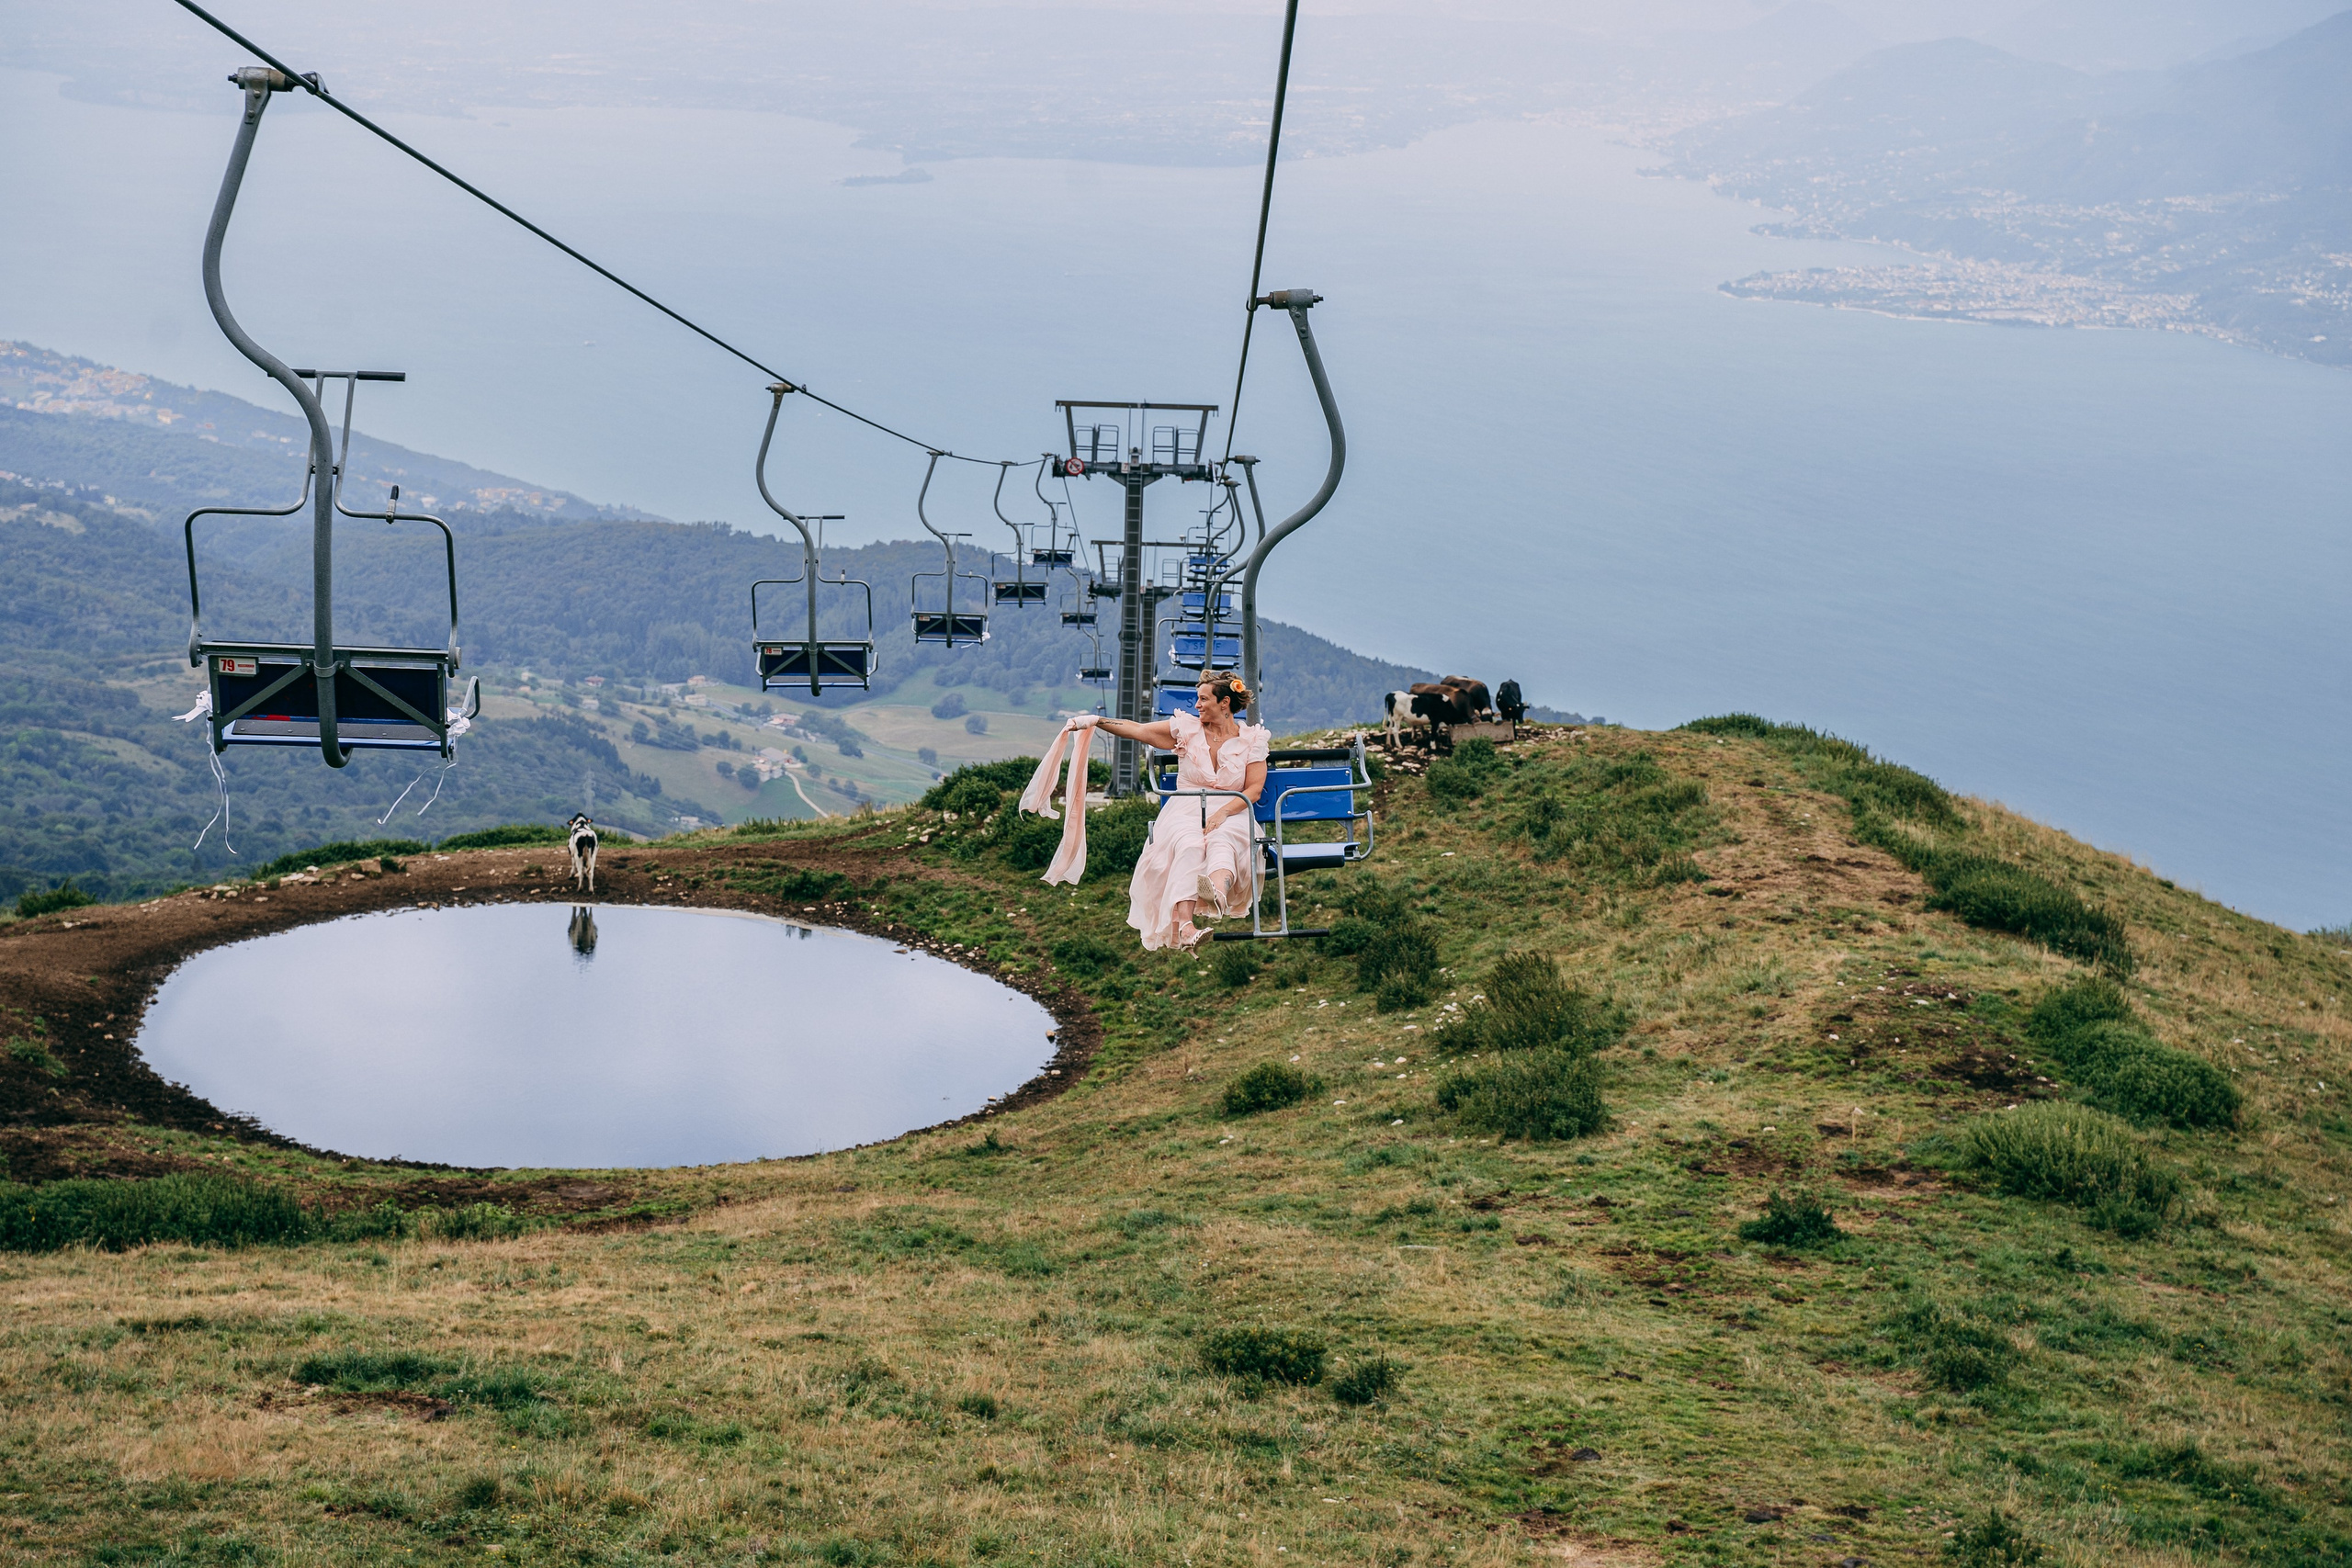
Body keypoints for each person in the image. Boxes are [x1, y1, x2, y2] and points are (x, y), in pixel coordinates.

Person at [1062, 673, 1269, 953]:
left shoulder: (1252, 739)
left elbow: (1254, 789)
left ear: (1225, 703)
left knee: (1225, 839)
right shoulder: (1186, 730)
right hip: (1185, 808)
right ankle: (1186, 928)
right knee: (1189, 844)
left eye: (1203, 699)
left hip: (1233, 807)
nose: (1197, 705)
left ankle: (1217, 893)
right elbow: (1138, 730)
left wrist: (1223, 813)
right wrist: (1097, 721)